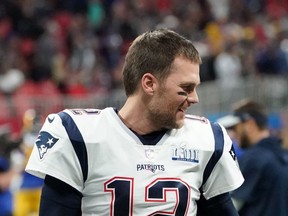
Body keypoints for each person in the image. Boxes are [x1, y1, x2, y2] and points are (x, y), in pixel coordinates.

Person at [25, 29, 244, 216]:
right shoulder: (78, 135)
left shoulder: (206, 139)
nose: (195, 98)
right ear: (149, 84)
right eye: (185, 88)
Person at [217, 99, 288, 216]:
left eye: (236, 128)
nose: (234, 134)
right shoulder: (283, 155)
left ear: (249, 124)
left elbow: (230, 208)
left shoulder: (255, 158)